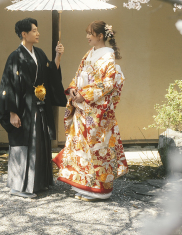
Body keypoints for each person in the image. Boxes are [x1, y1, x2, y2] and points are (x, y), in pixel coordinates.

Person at [54, 20, 128, 201]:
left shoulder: (108, 56)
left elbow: (108, 83)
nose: (87, 37)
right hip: (83, 108)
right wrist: (72, 89)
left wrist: (85, 95)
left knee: (98, 149)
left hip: (97, 112)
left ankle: (101, 190)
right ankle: (86, 186)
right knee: (83, 149)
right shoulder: (90, 54)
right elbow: (78, 75)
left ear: (100, 36)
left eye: (90, 33)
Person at [0, 17, 66, 198]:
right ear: (24, 34)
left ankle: (38, 183)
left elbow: (51, 73)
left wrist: (58, 56)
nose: (38, 33)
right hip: (23, 107)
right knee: (24, 143)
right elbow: (9, 85)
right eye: (34, 30)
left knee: (40, 141)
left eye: (37, 30)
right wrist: (12, 112)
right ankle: (19, 186)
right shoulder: (15, 56)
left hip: (39, 104)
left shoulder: (40, 53)